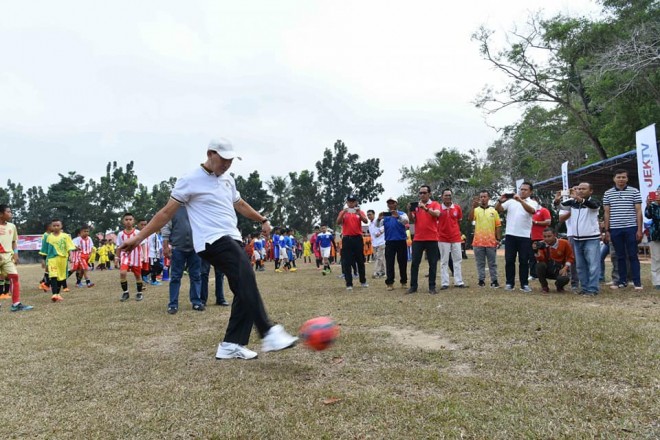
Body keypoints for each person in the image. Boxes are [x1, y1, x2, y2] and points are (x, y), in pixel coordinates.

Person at [117, 138, 297, 360]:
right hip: (211, 241)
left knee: (244, 284)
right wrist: (138, 237)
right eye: (223, 160)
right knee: (245, 278)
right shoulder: (190, 180)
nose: (227, 165)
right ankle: (268, 331)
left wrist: (263, 220)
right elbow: (165, 213)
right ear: (210, 154)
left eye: (231, 161)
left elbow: (239, 204)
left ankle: (231, 344)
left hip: (232, 238)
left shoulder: (228, 179)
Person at [603, 169, 643, 290]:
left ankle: (637, 282)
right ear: (614, 179)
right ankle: (622, 281)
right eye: (619, 177)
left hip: (631, 228)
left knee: (633, 255)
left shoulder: (634, 191)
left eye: (623, 177)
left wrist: (639, 230)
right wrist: (607, 230)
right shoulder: (608, 193)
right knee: (619, 256)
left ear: (627, 179)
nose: (621, 179)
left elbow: (638, 211)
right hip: (615, 229)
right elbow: (606, 212)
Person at [495, 182, 539, 292]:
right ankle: (510, 283)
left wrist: (520, 200)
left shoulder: (532, 202)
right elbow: (498, 209)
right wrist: (500, 200)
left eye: (525, 190)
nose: (522, 191)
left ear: (530, 192)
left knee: (524, 260)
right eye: (521, 189)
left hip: (524, 236)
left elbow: (532, 211)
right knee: (509, 260)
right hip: (510, 235)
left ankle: (524, 284)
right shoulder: (511, 202)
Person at [560, 182, 602, 295]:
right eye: (579, 188)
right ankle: (584, 288)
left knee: (593, 265)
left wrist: (579, 199)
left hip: (591, 238)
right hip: (577, 238)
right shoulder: (573, 202)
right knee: (580, 266)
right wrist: (557, 199)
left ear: (591, 191)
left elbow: (594, 206)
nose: (580, 190)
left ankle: (593, 289)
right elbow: (561, 206)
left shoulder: (594, 201)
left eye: (583, 189)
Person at [161, 205, 204, 314]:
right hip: (177, 248)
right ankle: (173, 304)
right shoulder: (173, 208)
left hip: (195, 248)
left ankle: (196, 302)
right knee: (175, 277)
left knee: (196, 276)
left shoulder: (197, 207)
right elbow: (166, 228)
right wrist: (165, 247)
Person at [408, 185, 441, 294]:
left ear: (429, 194)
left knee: (432, 263)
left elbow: (437, 214)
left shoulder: (435, 204)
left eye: (424, 193)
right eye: (420, 193)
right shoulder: (416, 206)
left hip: (432, 238)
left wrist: (425, 208)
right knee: (415, 263)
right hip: (418, 238)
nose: (422, 195)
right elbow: (412, 220)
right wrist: (409, 210)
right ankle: (413, 287)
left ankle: (432, 287)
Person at [0, 204, 33, 311]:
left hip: (8, 257)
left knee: (14, 277)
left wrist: (16, 254)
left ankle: (16, 304)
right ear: (1, 214)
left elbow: (14, 242)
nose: (11, 214)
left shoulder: (12, 226)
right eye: (8, 212)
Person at [468, 190, 501, 288]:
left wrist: (498, 239)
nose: (483, 198)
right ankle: (481, 280)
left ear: (488, 198)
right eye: (481, 197)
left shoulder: (493, 211)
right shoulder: (476, 210)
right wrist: (473, 207)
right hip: (478, 242)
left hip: (491, 241)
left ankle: (494, 281)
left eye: (485, 196)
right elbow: (470, 219)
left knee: (492, 263)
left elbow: (498, 226)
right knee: (480, 263)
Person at [336, 195, 368, 291]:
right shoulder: (343, 212)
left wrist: (359, 214)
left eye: (353, 201)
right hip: (347, 239)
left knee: (360, 260)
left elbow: (366, 221)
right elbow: (338, 222)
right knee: (347, 262)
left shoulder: (360, 212)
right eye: (349, 201)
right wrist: (343, 213)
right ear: (347, 202)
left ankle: (363, 281)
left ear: (355, 202)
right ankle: (349, 283)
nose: (351, 203)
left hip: (358, 238)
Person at [41, 219, 76, 302]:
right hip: (52, 259)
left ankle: (58, 294)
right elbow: (45, 250)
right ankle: (54, 294)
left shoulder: (65, 236)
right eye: (54, 226)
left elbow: (69, 247)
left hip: (63, 259)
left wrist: (71, 256)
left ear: (61, 226)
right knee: (53, 275)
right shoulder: (49, 237)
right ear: (51, 227)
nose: (56, 227)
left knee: (61, 277)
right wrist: (44, 260)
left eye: (58, 225)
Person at [437, 189, 466, 289]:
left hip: (456, 238)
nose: (448, 197)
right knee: (444, 261)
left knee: (457, 260)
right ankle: (445, 283)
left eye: (449, 195)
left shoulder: (457, 208)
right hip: (443, 238)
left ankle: (459, 281)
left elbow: (459, 221)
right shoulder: (439, 208)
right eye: (446, 195)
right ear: (442, 196)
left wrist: (457, 232)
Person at [379, 197, 409, 291]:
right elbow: (378, 225)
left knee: (402, 263)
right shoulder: (386, 216)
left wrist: (397, 216)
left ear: (396, 204)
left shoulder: (402, 214)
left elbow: (406, 222)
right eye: (389, 203)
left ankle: (403, 282)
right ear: (387, 205)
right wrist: (379, 218)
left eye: (393, 203)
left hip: (401, 241)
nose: (391, 205)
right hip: (389, 242)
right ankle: (390, 283)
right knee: (389, 263)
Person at [533, 228, 574, 293]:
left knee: (565, 278)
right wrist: (536, 251)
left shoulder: (564, 243)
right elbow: (541, 259)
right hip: (547, 268)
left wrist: (565, 267)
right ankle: (544, 286)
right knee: (539, 265)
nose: (546, 239)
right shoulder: (541, 244)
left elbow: (570, 257)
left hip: (559, 269)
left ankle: (559, 286)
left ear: (555, 235)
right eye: (545, 237)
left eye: (549, 236)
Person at [115, 213, 145, 302]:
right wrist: (117, 258)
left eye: (130, 219)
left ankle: (139, 293)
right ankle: (125, 292)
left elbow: (143, 244)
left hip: (136, 256)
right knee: (122, 273)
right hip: (125, 256)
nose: (128, 221)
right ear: (123, 221)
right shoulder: (120, 234)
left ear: (133, 221)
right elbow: (118, 246)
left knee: (138, 276)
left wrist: (143, 256)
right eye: (126, 219)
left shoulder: (138, 233)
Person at [529, 196, 551, 280]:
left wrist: (536, 222)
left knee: (543, 256)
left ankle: (546, 274)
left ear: (537, 201)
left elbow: (548, 222)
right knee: (532, 257)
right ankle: (533, 274)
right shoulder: (529, 212)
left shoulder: (543, 210)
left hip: (542, 238)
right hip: (531, 237)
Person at [644, 186, 660, 289]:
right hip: (655, 234)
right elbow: (648, 215)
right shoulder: (653, 205)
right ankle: (657, 281)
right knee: (656, 258)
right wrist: (648, 204)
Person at [367, 209, 385, 279]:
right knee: (380, 258)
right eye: (368, 215)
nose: (369, 216)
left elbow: (384, 227)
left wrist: (380, 232)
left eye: (370, 214)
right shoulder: (370, 224)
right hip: (374, 244)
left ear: (374, 215)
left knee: (379, 258)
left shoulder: (379, 221)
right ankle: (383, 272)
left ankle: (376, 272)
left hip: (381, 242)